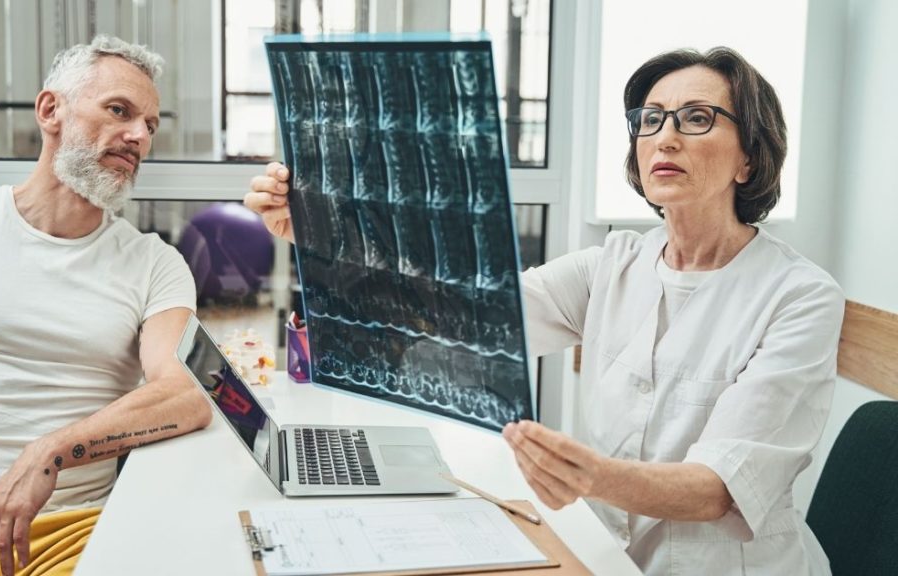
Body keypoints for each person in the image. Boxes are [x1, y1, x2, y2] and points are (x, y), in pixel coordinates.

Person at [243, 47, 844, 575]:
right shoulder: (614, 263)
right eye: (651, 119)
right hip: (604, 553)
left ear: (749, 158)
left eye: (696, 118)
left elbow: (718, 488)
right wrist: (327, 236)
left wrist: (588, 476)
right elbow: (466, 310)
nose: (664, 136)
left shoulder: (799, 297)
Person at [0, 35, 211, 576]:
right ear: (50, 110)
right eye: (119, 111)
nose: (138, 137)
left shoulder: (155, 263)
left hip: (77, 539)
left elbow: (186, 393)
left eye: (150, 125)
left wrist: (51, 451)